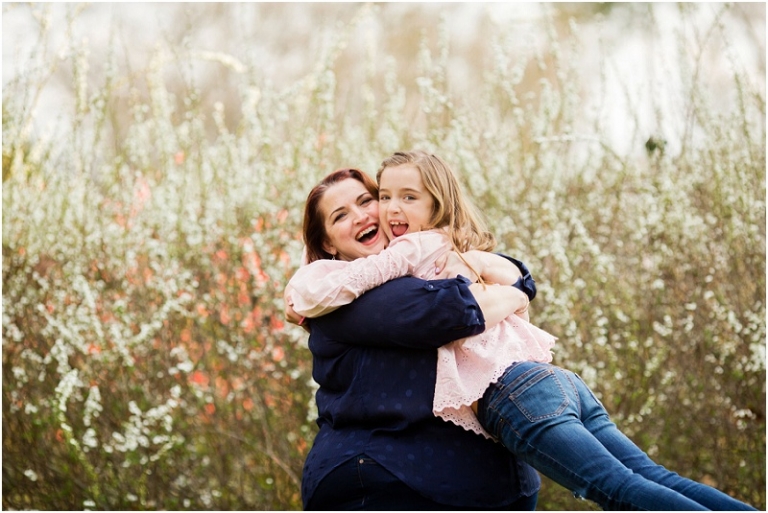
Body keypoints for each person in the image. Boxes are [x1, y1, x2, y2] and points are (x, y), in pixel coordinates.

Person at [285, 151, 757, 511]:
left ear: (436, 203)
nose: (377, 212)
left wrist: (305, 294)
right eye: (348, 211)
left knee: (619, 489)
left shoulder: (412, 255)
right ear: (326, 240)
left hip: (513, 392)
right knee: (649, 477)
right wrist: (519, 284)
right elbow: (478, 291)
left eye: (371, 200)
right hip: (552, 381)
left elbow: (440, 311)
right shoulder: (438, 255)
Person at [287, 167, 542, 510]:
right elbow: (450, 310)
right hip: (381, 477)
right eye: (341, 215)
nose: (362, 216)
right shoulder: (350, 292)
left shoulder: (410, 267)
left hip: (457, 484)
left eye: (367, 201)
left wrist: (508, 274)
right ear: (328, 243)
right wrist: (519, 291)